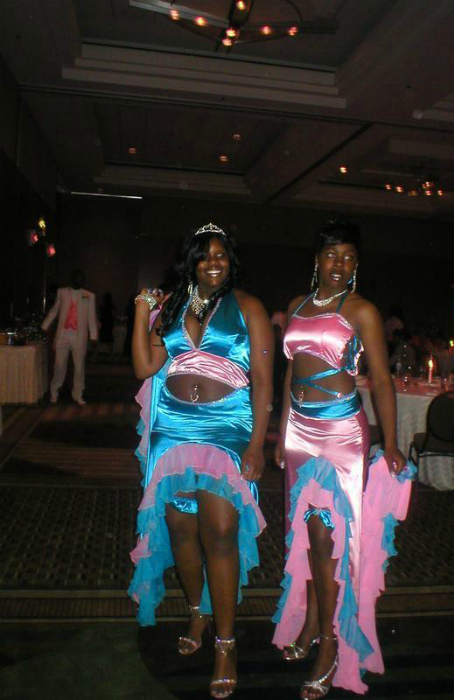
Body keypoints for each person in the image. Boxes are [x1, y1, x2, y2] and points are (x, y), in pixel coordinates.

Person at [128, 223, 273, 699]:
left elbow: (264, 382)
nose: (214, 262)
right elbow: (145, 367)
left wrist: (257, 444)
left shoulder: (249, 307)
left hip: (227, 427)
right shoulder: (171, 306)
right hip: (173, 427)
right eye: (205, 254)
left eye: (222, 255)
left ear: (232, 261)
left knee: (221, 531)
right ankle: (197, 610)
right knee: (180, 528)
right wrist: (142, 311)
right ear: (190, 260)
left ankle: (226, 644)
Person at [272, 220, 413, 698]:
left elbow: (382, 380)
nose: (340, 264)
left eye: (349, 257)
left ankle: (331, 643)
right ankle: (313, 620)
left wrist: (390, 443)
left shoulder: (362, 311)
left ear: (357, 264)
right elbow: (290, 374)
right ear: (317, 259)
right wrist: (282, 432)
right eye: (332, 255)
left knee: (328, 537)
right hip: (299, 432)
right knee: (307, 534)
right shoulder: (297, 305)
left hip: (341, 434)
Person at [41, 269, 98, 405]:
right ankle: (54, 391)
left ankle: (78, 394)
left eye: (82, 278)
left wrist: (93, 336)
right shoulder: (62, 292)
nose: (81, 280)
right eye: (78, 277)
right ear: (72, 279)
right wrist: (44, 326)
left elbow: (91, 317)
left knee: (79, 368)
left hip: (79, 336)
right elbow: (54, 311)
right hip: (63, 335)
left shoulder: (89, 296)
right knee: (59, 365)